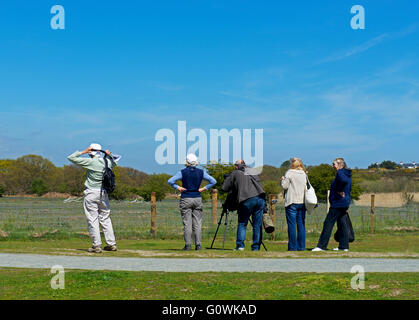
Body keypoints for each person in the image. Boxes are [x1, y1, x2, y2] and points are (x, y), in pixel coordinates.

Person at [67, 143, 119, 253]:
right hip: (104, 193)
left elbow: (71, 158)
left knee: (93, 219)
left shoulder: (90, 162)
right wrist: (108, 155)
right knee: (105, 218)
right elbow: (114, 162)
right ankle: (111, 244)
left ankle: (97, 245)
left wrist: (83, 151)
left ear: (91, 151)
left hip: (91, 192)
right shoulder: (107, 162)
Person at [167, 153, 216, 251]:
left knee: (187, 223)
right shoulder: (201, 172)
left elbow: (170, 181)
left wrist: (178, 187)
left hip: (186, 198)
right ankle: (198, 245)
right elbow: (213, 181)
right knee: (197, 223)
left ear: (187, 161)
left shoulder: (182, 172)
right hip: (197, 198)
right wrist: (204, 188)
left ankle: (188, 245)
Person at [222, 160, 265, 251]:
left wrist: (229, 179)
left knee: (242, 223)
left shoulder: (235, 173)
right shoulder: (252, 171)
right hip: (260, 199)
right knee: (257, 225)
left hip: (247, 200)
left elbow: (224, 188)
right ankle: (256, 247)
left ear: (237, 166)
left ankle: (240, 246)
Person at [312, 158, 353, 252]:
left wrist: (339, 189)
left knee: (328, 223)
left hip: (338, 203)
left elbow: (343, 181)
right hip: (344, 203)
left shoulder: (340, 173)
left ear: (339, 165)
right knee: (342, 224)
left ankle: (321, 246)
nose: (332, 166)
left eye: (334, 164)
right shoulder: (347, 173)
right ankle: (344, 246)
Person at [281, 158, 307, 251]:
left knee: (292, 225)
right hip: (302, 202)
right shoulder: (304, 173)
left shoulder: (289, 173)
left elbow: (285, 186)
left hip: (292, 202)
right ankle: (301, 246)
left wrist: (283, 180)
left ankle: (292, 247)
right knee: (301, 225)